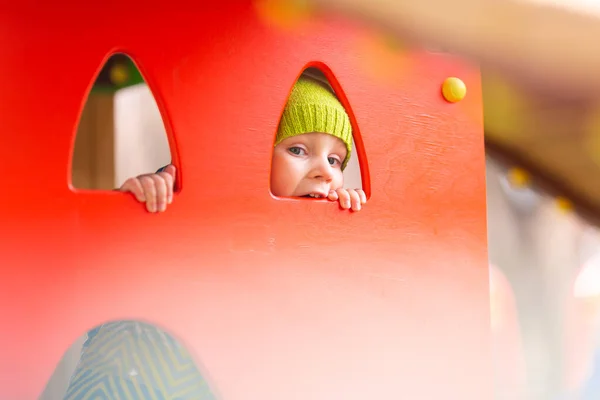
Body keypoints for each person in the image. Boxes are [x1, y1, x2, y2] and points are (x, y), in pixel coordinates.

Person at [119, 69, 367, 212]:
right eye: (298, 150)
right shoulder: (211, 193)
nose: (325, 172)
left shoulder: (329, 208)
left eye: (334, 160)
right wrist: (146, 192)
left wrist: (348, 211)